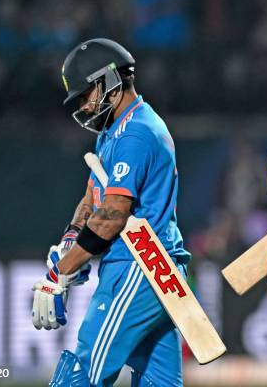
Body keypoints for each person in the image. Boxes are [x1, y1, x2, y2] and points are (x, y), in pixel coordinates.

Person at [31, 38, 190, 387]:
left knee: (83, 373)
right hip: (158, 271)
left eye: (86, 94)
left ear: (110, 82)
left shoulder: (137, 133)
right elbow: (94, 194)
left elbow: (112, 215)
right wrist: (71, 238)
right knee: (158, 382)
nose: (85, 107)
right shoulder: (115, 131)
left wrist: (59, 272)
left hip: (142, 264)